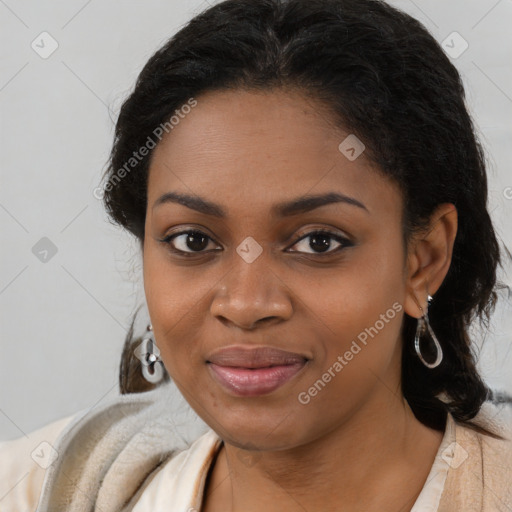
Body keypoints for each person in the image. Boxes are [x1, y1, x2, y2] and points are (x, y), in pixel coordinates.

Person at [1, 0, 511, 510]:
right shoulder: (37, 490)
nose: (246, 304)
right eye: (193, 241)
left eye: (318, 242)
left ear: (424, 258)